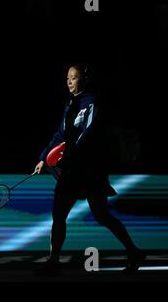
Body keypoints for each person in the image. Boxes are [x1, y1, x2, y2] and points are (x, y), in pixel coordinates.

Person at [34, 64, 146, 274]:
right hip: (71, 170)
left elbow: (89, 132)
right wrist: (43, 158)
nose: (69, 81)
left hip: (89, 169)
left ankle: (133, 251)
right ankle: (54, 260)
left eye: (74, 77)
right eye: (67, 77)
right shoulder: (70, 104)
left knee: (101, 215)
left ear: (84, 80)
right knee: (59, 213)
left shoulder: (91, 102)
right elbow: (61, 135)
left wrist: (70, 153)